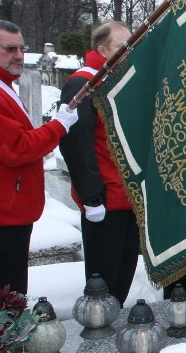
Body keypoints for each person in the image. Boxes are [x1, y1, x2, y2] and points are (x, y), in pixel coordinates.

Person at [0, 20, 78, 294]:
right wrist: (58, 126)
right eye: (8, 48)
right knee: (4, 296)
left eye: (21, 48)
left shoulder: (2, 86)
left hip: (11, 209)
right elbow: (17, 148)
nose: (18, 55)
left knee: (9, 290)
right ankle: (2, 338)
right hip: (1, 215)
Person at [59, 21, 138, 305]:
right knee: (102, 282)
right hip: (105, 198)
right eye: (122, 46)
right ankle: (99, 334)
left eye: (132, 44)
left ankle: (113, 328)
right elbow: (75, 142)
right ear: (102, 50)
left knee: (124, 272)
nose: (130, 51)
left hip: (128, 196)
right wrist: (92, 198)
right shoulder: (84, 83)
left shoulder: (117, 79)